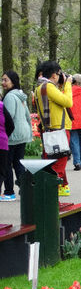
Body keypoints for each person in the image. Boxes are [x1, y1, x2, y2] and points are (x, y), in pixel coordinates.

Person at [34, 60, 73, 196]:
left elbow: (57, 102)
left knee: (52, 162)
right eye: (59, 73)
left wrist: (61, 87)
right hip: (58, 131)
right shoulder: (48, 87)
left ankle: (59, 189)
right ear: (54, 75)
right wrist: (68, 85)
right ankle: (51, 195)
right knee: (58, 166)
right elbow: (68, 102)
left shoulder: (42, 87)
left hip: (51, 130)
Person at [0, 71, 32, 201]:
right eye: (2, 80)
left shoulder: (9, 97)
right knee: (19, 164)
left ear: (13, 81)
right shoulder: (21, 96)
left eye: (5, 80)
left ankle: (9, 192)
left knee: (7, 164)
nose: (3, 83)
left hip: (12, 136)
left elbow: (8, 119)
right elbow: (27, 116)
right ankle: (25, 190)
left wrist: (5, 134)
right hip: (22, 133)